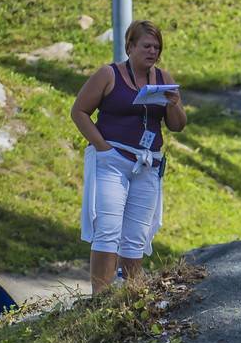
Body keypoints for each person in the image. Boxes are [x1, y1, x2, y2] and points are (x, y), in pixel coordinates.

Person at [71, 20, 188, 295]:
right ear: (130, 46)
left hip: (148, 162)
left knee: (136, 235)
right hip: (112, 160)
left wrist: (172, 103)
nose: (152, 52)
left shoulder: (163, 78)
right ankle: (100, 296)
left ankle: (134, 294)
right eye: (147, 46)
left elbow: (178, 125)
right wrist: (102, 147)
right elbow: (79, 111)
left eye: (157, 47)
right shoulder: (108, 74)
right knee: (108, 229)